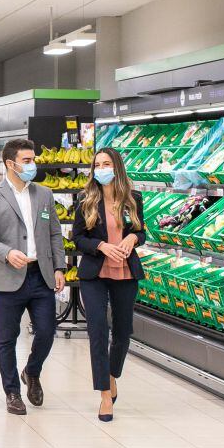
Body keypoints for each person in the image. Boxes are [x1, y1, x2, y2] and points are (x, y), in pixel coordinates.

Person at [0, 138, 66, 416]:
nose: (32, 165)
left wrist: (59, 267)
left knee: (47, 331)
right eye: (27, 160)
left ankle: (32, 370)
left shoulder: (44, 194)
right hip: (9, 277)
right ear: (10, 164)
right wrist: (6, 253)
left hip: (40, 276)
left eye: (33, 159)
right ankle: (12, 392)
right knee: (7, 337)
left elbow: (54, 234)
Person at [71, 147, 145, 423]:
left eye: (106, 164)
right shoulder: (85, 200)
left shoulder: (133, 199)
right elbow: (78, 238)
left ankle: (112, 375)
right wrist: (101, 245)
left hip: (126, 272)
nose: (101, 169)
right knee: (98, 330)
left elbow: (141, 231)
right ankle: (104, 393)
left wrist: (132, 239)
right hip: (95, 274)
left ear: (117, 167)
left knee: (124, 331)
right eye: (97, 165)